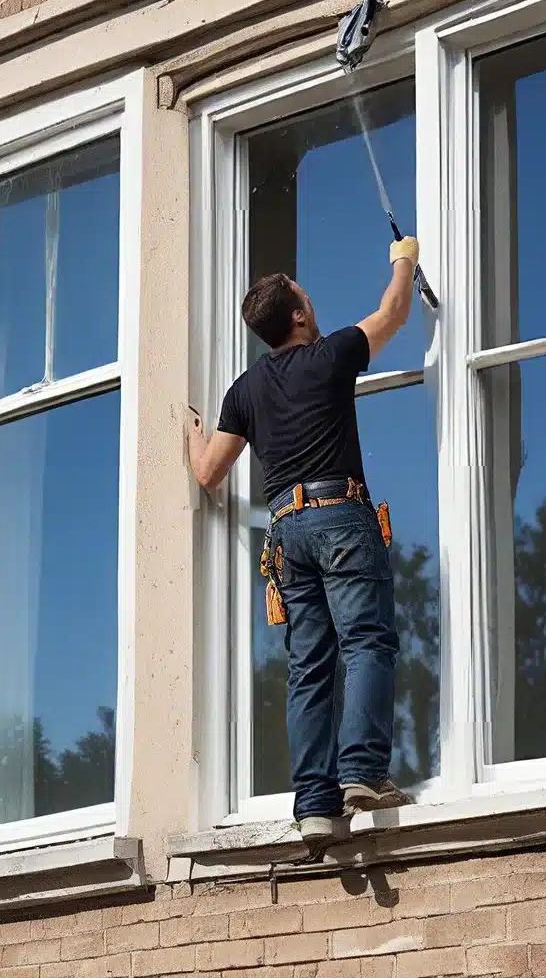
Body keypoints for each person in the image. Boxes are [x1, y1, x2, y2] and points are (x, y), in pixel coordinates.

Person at [186, 236, 419, 851]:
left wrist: (189, 436)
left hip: (287, 531)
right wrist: (404, 257)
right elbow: (394, 312)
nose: (311, 298)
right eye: (303, 293)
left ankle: (315, 804)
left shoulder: (245, 391)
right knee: (367, 640)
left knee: (308, 667)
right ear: (297, 315)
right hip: (340, 515)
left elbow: (209, 472)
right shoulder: (332, 353)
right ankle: (363, 773)